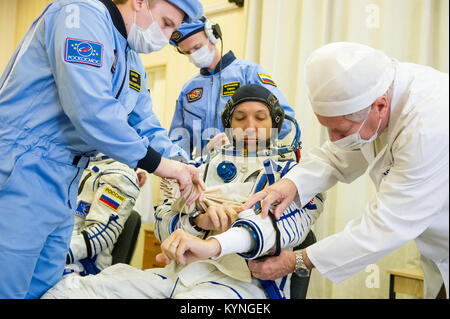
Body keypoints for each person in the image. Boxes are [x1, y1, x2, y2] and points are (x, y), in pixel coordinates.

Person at [0, 0, 205, 298]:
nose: (165, 37)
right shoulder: (81, 15)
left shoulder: (129, 57)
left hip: (66, 179)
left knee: (44, 286)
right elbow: (90, 110)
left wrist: (183, 165)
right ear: (140, 2)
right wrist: (162, 166)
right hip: (25, 166)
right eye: (166, 23)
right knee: (8, 282)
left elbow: (144, 122)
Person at [41, 84, 324, 299]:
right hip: (179, 274)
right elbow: (165, 223)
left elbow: (289, 229)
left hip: (244, 284)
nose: (250, 127)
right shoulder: (201, 165)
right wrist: (198, 221)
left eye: (260, 118)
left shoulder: (295, 175)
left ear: (275, 123)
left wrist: (228, 225)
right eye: (240, 118)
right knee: (69, 291)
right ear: (229, 123)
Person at [243, 42, 449, 299]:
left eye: (342, 130)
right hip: (438, 248)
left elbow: (384, 226)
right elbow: (340, 152)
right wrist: (290, 184)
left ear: (380, 106)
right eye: (328, 128)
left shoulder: (428, 127)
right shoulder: (376, 93)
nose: (335, 139)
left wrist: (297, 260)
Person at [168, 17, 296, 160]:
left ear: (213, 36)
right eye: (188, 52)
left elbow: (286, 120)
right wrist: (181, 169)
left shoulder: (248, 73)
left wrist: (239, 139)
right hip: (206, 169)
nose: (194, 55)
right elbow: (179, 139)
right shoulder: (188, 90)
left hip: (248, 165)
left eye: (197, 47)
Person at [64, 154, 145, 276]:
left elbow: (102, 233)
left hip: (82, 267)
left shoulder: (120, 174)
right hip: (58, 247)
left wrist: (58, 254)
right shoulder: (81, 161)